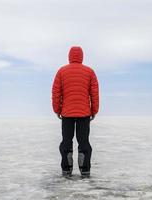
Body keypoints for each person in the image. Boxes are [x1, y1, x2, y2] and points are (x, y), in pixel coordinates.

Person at [51, 46, 99, 178]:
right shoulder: (89, 72)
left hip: (67, 114)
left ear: (69, 56)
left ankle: (66, 171)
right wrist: (94, 110)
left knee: (66, 142)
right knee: (84, 142)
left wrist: (57, 110)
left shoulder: (62, 71)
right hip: (84, 114)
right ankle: (85, 171)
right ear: (81, 57)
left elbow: (56, 92)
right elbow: (94, 94)